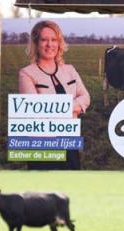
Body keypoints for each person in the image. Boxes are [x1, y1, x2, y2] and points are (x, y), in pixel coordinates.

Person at [18, 20, 90, 170]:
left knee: (71, 187)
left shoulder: (70, 69)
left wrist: (56, 108)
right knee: (44, 190)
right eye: (44, 40)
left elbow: (86, 97)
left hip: (69, 141)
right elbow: (36, 110)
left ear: (59, 43)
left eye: (54, 40)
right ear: (36, 43)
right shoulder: (26, 73)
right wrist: (73, 109)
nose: (49, 44)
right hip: (42, 145)